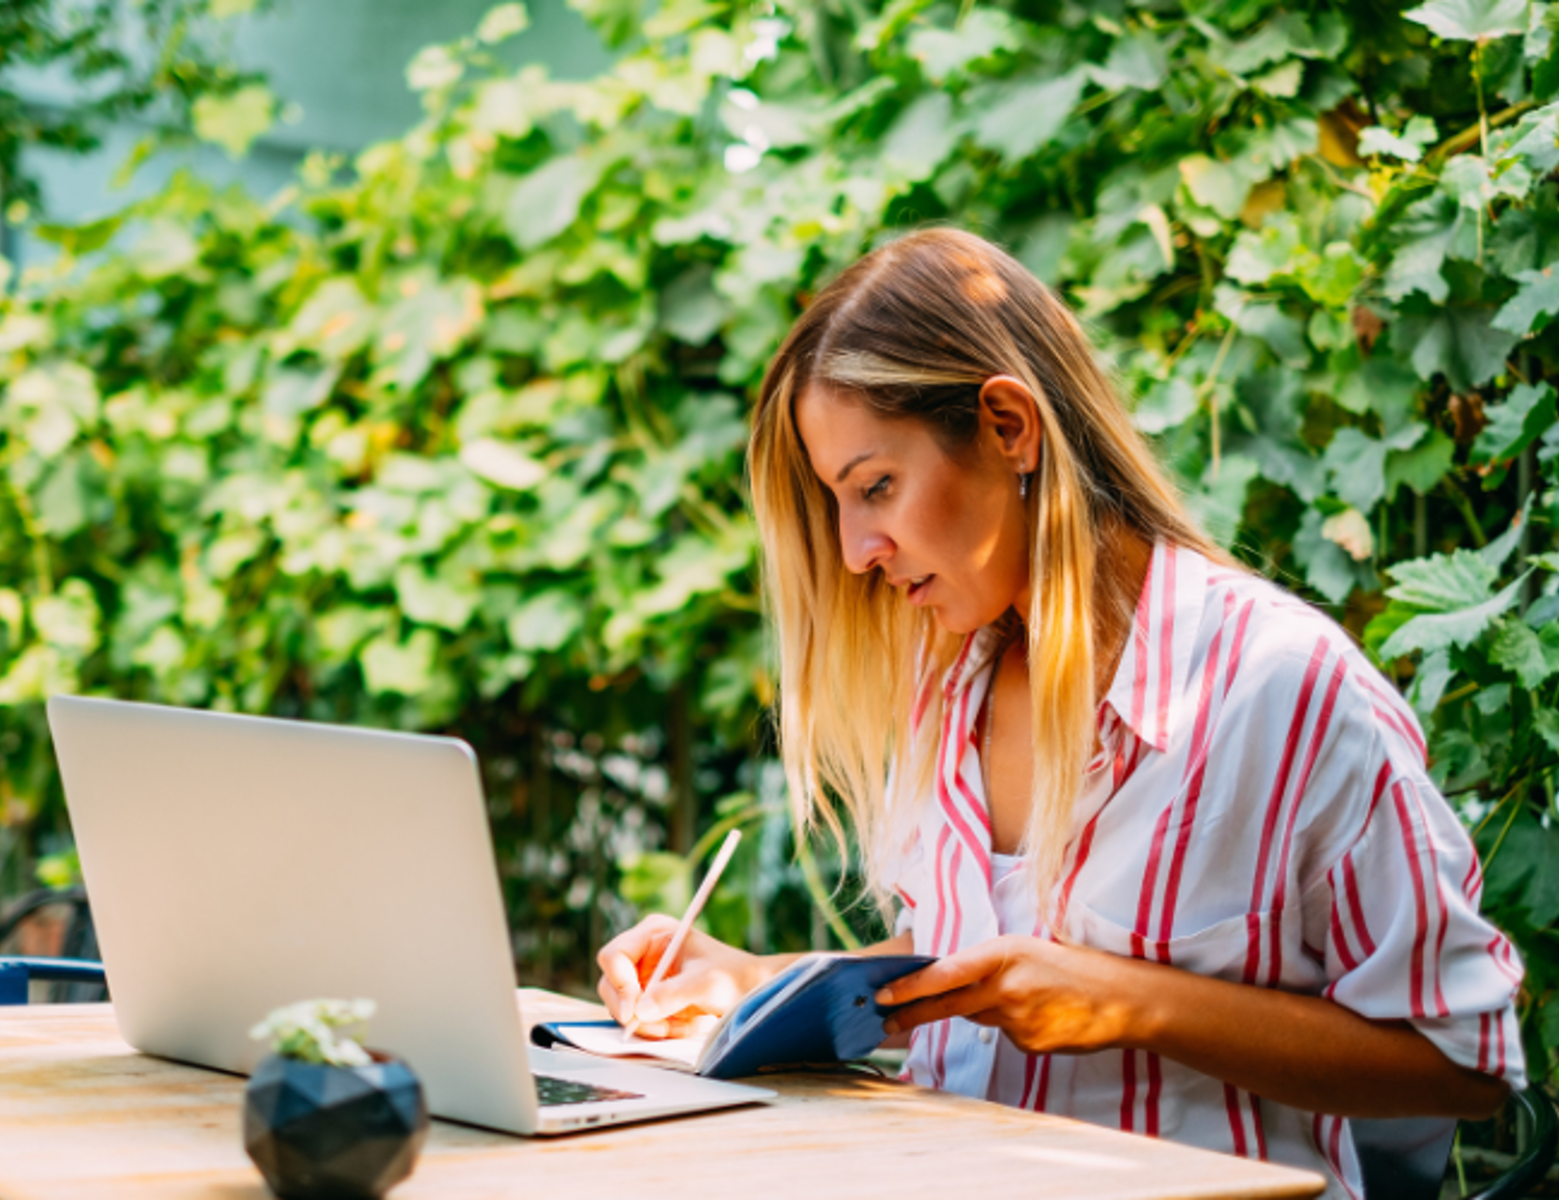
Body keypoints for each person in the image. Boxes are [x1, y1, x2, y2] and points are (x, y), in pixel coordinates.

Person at [596, 228, 1522, 1197]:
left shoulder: (1282, 689)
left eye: (875, 487)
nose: (857, 548)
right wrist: (756, 980)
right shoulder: (947, 686)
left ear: (1009, 428)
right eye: (840, 503)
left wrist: (1130, 1004)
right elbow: (980, 968)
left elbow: (1463, 1061)